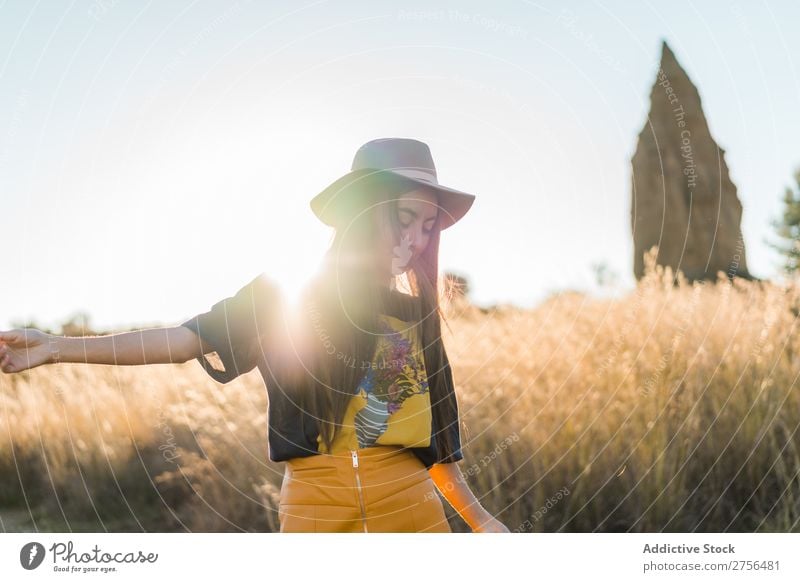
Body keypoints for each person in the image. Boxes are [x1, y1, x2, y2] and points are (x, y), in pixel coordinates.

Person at [0, 137, 509, 533]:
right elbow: (183, 341)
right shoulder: (283, 295)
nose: (417, 238)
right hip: (315, 514)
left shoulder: (417, 315)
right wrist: (55, 347)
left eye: (427, 225)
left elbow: (440, 445)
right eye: (404, 218)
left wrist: (480, 520)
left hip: (413, 512)